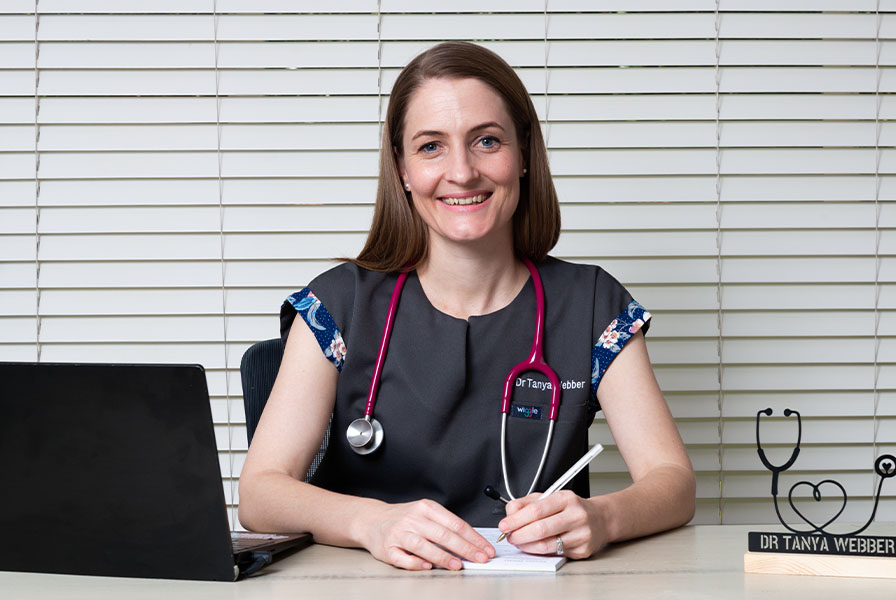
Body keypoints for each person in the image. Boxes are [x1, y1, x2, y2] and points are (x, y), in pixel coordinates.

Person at [238, 41, 695, 572]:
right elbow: (260, 493)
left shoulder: (592, 303)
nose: (462, 172)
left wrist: (603, 518)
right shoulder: (339, 303)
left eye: (486, 141)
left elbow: (673, 482)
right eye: (431, 146)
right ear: (402, 169)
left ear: (523, 154)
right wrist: (372, 523)